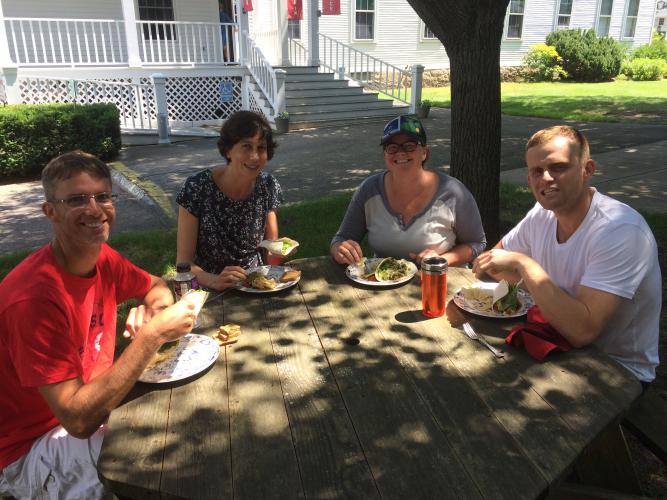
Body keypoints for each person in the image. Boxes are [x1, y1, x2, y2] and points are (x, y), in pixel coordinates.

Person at [0, 151, 195, 499]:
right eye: (76, 199)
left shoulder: (103, 259)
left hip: (95, 408)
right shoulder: (33, 298)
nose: (95, 209)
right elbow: (77, 421)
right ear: (50, 211)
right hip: (29, 447)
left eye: (103, 196)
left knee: (191, 425)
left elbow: (156, 287)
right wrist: (151, 336)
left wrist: (152, 309)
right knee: (162, 467)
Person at [473, 125, 661, 386]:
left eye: (558, 167)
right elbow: (492, 262)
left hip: (616, 371)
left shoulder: (620, 229)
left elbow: (582, 331)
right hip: (556, 343)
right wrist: (543, 291)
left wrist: (525, 265)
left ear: (587, 170)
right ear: (529, 179)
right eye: (536, 171)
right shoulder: (541, 214)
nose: (546, 178)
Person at [331, 114, 486, 266]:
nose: (400, 153)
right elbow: (342, 238)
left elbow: (477, 243)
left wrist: (442, 260)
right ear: (385, 155)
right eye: (392, 148)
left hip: (438, 282)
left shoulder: (453, 192)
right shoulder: (369, 189)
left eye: (410, 146)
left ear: (424, 152)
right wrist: (340, 249)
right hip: (382, 285)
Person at [176, 110, 284, 291]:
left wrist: (275, 275)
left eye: (261, 147)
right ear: (228, 150)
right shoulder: (197, 188)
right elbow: (183, 263)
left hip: (255, 284)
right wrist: (214, 280)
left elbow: (271, 246)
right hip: (210, 288)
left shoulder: (268, 185)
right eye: (246, 146)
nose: (255, 157)